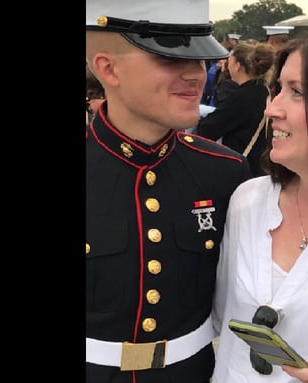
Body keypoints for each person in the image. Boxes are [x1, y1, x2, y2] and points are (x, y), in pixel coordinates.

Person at [85, 1, 252, 382]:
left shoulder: (225, 172)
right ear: (108, 68)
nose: (197, 73)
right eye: (171, 58)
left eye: (200, 59)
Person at [211, 30, 308, 383]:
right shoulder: (248, 201)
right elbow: (218, 315)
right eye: (278, 88)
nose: (271, 109)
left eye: (297, 92)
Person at [196, 41, 275, 176]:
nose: (227, 65)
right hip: (257, 166)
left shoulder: (243, 96)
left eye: (230, 60)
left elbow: (208, 128)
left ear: (238, 66)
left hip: (243, 170)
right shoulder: (262, 90)